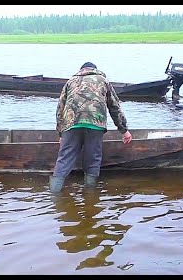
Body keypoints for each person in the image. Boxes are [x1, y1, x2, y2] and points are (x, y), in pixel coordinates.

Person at [50, 62, 132, 192]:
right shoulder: (103, 81)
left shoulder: (70, 82)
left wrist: (61, 133)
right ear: (95, 70)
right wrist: (124, 130)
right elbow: (114, 107)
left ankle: (54, 195)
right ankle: (90, 197)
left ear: (81, 70)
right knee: (93, 159)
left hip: (71, 124)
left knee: (64, 159)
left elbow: (60, 109)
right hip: (95, 124)